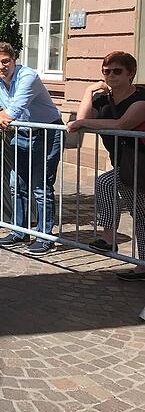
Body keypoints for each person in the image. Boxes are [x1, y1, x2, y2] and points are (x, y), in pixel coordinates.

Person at [0, 42, 62, 255]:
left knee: (41, 187)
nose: (1, 66)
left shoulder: (28, 76)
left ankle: (44, 236)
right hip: (22, 132)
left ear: (14, 60)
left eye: (5, 61)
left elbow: (15, 108)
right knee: (17, 184)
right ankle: (19, 231)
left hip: (47, 132)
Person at [67, 51, 145, 281]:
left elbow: (122, 124)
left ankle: (109, 238)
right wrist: (89, 90)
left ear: (130, 73)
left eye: (117, 71)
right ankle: (142, 266)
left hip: (140, 165)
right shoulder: (102, 99)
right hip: (126, 165)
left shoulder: (140, 100)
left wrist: (83, 122)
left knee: (105, 182)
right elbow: (77, 123)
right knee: (140, 216)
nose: (111, 76)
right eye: (106, 71)